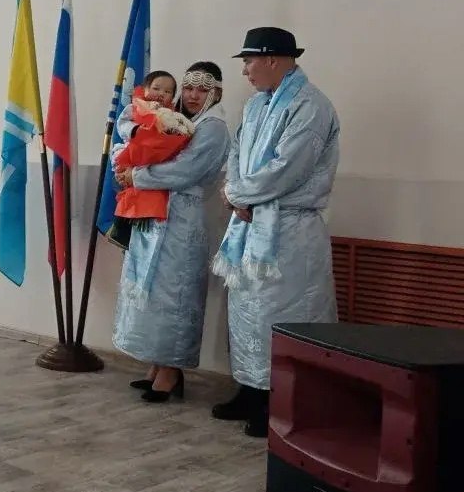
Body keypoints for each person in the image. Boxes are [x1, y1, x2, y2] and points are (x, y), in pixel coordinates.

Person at [211, 27, 340, 437]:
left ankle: (282, 403)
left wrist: (237, 194)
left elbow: (289, 167)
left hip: (290, 230)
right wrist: (235, 193)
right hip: (250, 222)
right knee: (248, 314)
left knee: (283, 315)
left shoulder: (310, 106)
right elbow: (237, 153)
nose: (245, 71)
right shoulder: (254, 106)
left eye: (249, 61)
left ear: (271, 59)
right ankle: (251, 390)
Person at [112, 62, 231, 402]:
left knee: (174, 293)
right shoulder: (178, 120)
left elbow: (186, 170)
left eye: (202, 89)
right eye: (188, 88)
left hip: (182, 219)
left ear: (216, 93)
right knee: (151, 290)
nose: (192, 95)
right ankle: (156, 364)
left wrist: (138, 176)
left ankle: (171, 370)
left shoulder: (214, 127)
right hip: (157, 213)